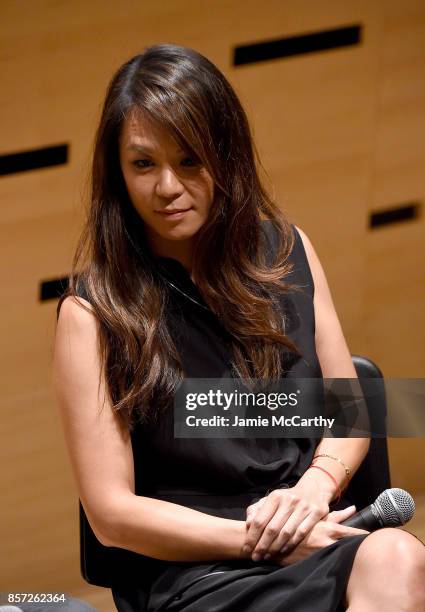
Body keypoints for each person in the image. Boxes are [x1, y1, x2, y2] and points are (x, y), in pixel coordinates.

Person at [53, 43, 425, 611]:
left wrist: (314, 489)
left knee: (400, 556)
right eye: (144, 164)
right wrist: (265, 542)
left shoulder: (287, 249)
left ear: (226, 155)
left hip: (312, 531)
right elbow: (112, 516)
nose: (168, 187)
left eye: (191, 160)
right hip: (196, 573)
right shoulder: (92, 312)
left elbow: (356, 409)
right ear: (117, 172)